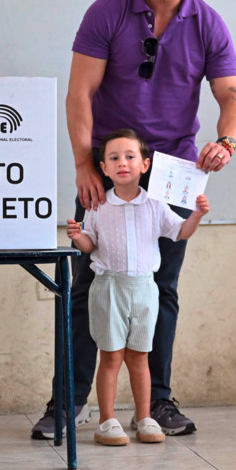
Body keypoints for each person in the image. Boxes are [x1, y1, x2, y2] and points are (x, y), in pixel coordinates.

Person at [31, 0, 236, 440]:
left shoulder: (208, 22)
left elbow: (232, 96)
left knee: (161, 289)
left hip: (172, 172)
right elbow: (79, 92)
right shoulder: (107, 13)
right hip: (110, 168)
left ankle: (159, 405)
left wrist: (226, 140)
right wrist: (85, 164)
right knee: (87, 288)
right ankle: (68, 404)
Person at [66, 129, 209, 446]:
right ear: (103, 168)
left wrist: (197, 214)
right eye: (113, 158)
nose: (122, 163)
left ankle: (145, 418)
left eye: (130, 157)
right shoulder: (98, 205)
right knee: (112, 357)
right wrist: (78, 237)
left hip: (144, 290)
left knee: (140, 357)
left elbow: (180, 232)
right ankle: (107, 421)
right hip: (109, 289)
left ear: (146, 165)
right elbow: (90, 245)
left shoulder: (155, 205)